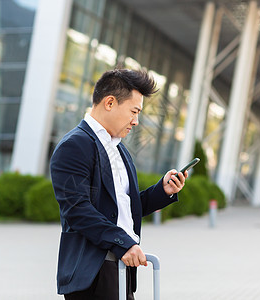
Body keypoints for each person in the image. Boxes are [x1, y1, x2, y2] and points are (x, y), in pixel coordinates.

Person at [50, 69, 187, 299]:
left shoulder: (119, 149)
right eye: (134, 112)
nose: (136, 121)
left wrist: (162, 191)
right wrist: (123, 243)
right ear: (110, 103)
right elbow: (77, 210)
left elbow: (122, 208)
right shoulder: (74, 146)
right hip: (93, 275)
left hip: (121, 269)